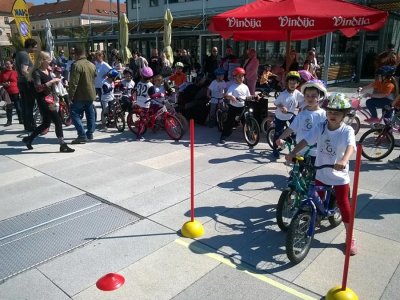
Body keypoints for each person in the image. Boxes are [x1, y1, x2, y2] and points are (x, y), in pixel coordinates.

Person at [285, 93, 357, 256]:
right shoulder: (321, 127)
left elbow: (350, 147)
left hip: (338, 174)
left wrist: (344, 160)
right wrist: (292, 153)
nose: (333, 115)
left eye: (337, 113)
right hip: (321, 171)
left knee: (344, 204)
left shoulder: (347, 130)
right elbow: (306, 140)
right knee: (317, 198)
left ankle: (350, 236)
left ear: (344, 115)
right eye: (330, 112)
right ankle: (316, 217)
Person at [22, 51, 74, 152]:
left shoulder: (47, 70)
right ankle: (62, 145)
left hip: (49, 99)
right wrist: (52, 81)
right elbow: (38, 88)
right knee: (58, 121)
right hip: (43, 100)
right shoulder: (36, 72)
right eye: (48, 59)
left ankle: (29, 139)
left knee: (45, 124)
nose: (50, 61)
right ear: (42, 60)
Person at [276, 80, 327, 163]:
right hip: (300, 149)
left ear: (320, 97)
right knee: (297, 170)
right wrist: (280, 138)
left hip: (315, 151)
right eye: (307, 95)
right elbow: (291, 128)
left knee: (314, 173)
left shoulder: (323, 114)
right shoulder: (302, 114)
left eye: (313, 95)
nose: (310, 98)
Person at [272, 71, 304, 158]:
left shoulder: (297, 93)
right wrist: (282, 107)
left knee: (296, 129)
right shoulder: (283, 94)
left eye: (294, 83)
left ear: (297, 84)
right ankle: (275, 149)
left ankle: (294, 142)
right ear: (287, 83)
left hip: (291, 115)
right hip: (280, 117)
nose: (292, 85)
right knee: (278, 134)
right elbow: (275, 103)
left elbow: (303, 101)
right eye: (290, 83)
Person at [68, 46, 97, 144]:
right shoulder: (92, 64)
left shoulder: (76, 65)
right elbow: (95, 76)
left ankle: (82, 135)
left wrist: (70, 96)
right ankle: (90, 133)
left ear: (76, 54)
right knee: (90, 114)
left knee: (74, 113)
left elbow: (73, 83)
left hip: (80, 94)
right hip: (91, 93)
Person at [219, 67, 252, 144]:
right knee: (229, 122)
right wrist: (231, 97)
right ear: (235, 77)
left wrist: (254, 97)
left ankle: (249, 135)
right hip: (233, 107)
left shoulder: (245, 86)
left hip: (243, 107)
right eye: (239, 76)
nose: (241, 78)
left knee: (247, 121)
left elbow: (248, 96)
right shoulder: (233, 86)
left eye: (242, 76)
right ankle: (223, 136)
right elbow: (227, 95)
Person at [15, 38, 38, 132]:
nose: (35, 49)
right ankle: (30, 126)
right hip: (26, 83)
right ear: (30, 46)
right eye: (35, 47)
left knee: (25, 105)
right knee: (29, 105)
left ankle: (27, 126)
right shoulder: (24, 55)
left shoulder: (19, 53)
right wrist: (31, 79)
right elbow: (24, 70)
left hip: (21, 82)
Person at [0, 58, 22, 126]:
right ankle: (9, 121)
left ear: (12, 65)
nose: (7, 65)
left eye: (8, 64)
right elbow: (0, 83)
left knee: (18, 107)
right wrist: (4, 84)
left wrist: (20, 91)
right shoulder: (2, 73)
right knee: (8, 107)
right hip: (6, 93)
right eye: (5, 64)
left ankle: (21, 120)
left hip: (15, 91)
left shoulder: (15, 72)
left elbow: (19, 82)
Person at [135, 66, 154, 141]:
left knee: (144, 116)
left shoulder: (139, 83)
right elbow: (152, 95)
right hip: (145, 104)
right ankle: (138, 135)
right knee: (143, 120)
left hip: (139, 102)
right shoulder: (150, 85)